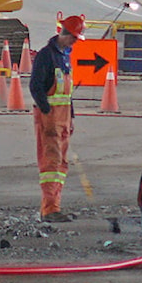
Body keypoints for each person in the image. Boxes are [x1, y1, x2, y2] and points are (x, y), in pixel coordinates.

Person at [29, 14, 86, 223]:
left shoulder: (64, 56)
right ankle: (50, 209)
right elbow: (36, 86)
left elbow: (66, 93)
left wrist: (70, 117)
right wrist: (47, 113)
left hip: (62, 120)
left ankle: (54, 207)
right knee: (51, 166)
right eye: (73, 38)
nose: (74, 42)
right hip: (50, 119)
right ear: (65, 34)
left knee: (61, 165)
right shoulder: (47, 56)